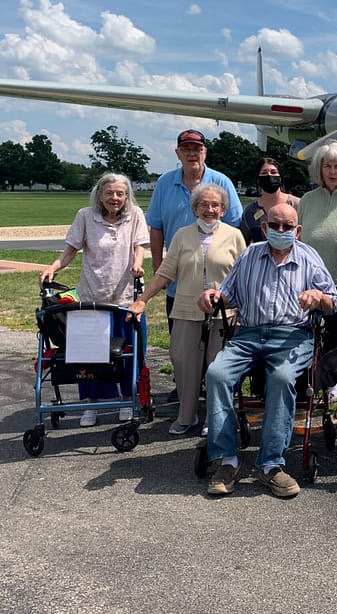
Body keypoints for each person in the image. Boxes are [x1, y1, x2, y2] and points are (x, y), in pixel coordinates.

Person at [198, 203, 337, 499]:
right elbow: (228, 293)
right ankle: (227, 460)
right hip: (248, 334)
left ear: (298, 231)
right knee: (217, 374)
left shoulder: (309, 257)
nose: (282, 231)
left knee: (282, 378)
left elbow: (333, 302)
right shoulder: (249, 254)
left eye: (288, 227)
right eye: (276, 225)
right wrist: (213, 296)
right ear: (264, 228)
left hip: (293, 335)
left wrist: (319, 297)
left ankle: (271, 464)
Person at [127, 184, 245, 435]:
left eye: (216, 205)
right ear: (195, 208)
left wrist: (243, 313)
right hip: (186, 310)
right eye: (204, 204)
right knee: (183, 363)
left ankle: (215, 420)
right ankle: (186, 416)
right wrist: (143, 299)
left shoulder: (234, 236)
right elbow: (165, 273)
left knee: (219, 369)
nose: (210, 209)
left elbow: (244, 278)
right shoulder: (182, 235)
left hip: (224, 314)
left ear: (223, 210)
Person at [39, 172, 149, 427]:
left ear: (127, 196)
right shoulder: (85, 216)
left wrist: (137, 266)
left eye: (120, 193)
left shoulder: (135, 216)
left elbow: (139, 248)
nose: (115, 198)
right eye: (109, 192)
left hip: (121, 298)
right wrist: (53, 268)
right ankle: (90, 404)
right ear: (100, 194)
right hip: (91, 296)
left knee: (123, 353)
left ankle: (125, 398)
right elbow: (70, 252)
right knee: (89, 355)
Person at [145, 129, 243, 325]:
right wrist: (158, 266)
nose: (191, 154)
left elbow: (234, 226)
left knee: (218, 343)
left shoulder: (221, 182)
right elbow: (157, 227)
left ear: (205, 152)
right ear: (177, 153)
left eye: (196, 149)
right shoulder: (165, 182)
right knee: (182, 341)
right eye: (186, 149)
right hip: (179, 277)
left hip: (218, 279)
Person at [296, 141, 337, 419]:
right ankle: (327, 389)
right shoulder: (307, 201)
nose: (332, 171)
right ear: (319, 169)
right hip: (311, 285)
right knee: (316, 341)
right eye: (327, 166)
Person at [238, 157, 300, 245]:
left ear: (280, 177)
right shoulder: (250, 211)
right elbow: (242, 242)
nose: (269, 176)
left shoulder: (297, 205)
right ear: (258, 179)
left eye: (274, 172)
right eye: (264, 173)